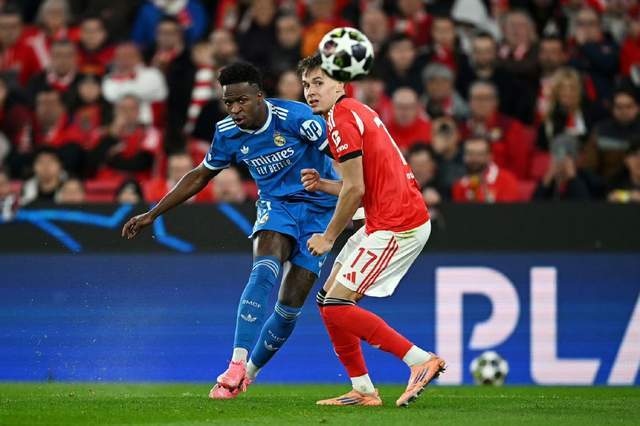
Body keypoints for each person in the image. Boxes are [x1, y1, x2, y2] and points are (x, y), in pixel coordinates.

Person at [121, 61, 338, 400]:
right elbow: (200, 175)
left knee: (289, 306)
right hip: (276, 206)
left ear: (259, 96)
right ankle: (235, 364)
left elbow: (348, 159)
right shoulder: (227, 132)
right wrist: (153, 213)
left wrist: (358, 200)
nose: (235, 109)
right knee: (264, 269)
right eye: (229, 103)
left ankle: (247, 375)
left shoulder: (298, 118)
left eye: (241, 101)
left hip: (319, 210)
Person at [298, 54, 445, 408]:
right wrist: (324, 185)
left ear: (340, 83)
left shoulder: (340, 119)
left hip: (398, 224)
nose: (310, 91)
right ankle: (363, 389)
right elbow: (362, 184)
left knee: (337, 304)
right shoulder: (353, 111)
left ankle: (420, 360)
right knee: (328, 301)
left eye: (318, 82)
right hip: (384, 217)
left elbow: (355, 190)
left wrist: (328, 237)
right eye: (306, 85)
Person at [451, 137, 521, 203]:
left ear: (490, 156)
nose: (474, 158)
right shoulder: (459, 183)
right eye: (470, 153)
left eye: (479, 154)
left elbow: (511, 210)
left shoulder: (507, 180)